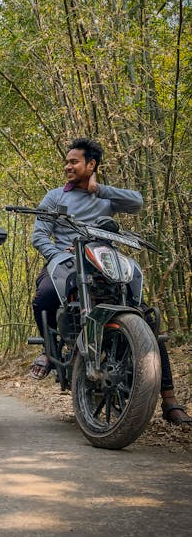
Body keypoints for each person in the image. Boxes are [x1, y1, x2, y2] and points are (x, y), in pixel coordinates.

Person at [29, 138, 191, 427]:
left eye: (74, 161)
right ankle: (48, 351)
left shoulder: (105, 196)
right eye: (66, 161)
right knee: (43, 297)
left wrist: (99, 189)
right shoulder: (54, 197)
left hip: (104, 261)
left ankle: (170, 401)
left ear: (91, 165)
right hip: (66, 262)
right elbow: (39, 234)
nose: (67, 166)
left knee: (146, 318)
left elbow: (138, 202)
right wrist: (56, 254)